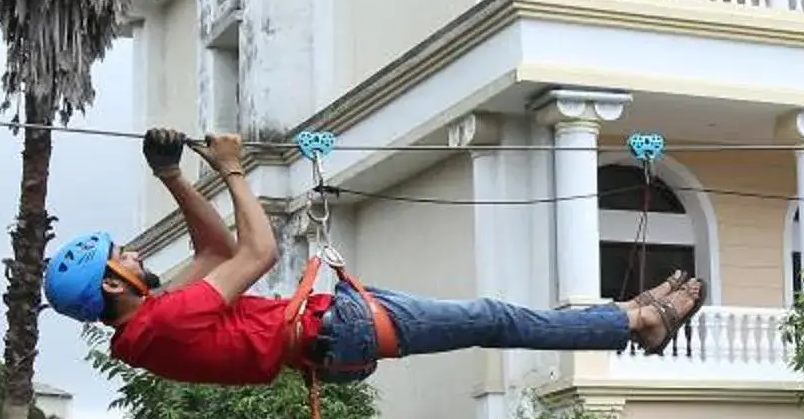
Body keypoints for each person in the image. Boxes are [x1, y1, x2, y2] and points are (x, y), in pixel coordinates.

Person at [42, 128, 703, 385]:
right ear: (110, 285)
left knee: (491, 317)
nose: (133, 252)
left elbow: (214, 249)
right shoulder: (164, 322)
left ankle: (628, 315)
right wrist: (235, 171)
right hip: (338, 328)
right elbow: (257, 250)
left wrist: (173, 175)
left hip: (335, 326)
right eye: (121, 254)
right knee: (494, 316)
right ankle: (632, 321)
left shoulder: (152, 324)